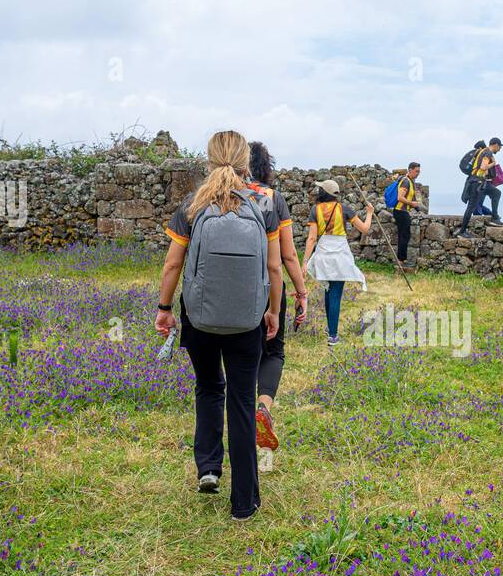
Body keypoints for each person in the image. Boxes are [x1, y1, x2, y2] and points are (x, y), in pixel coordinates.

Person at [155, 130, 282, 521]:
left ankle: (208, 468)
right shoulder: (264, 204)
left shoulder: (192, 204)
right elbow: (274, 266)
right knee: (243, 403)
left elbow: (174, 263)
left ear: (208, 160)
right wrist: (273, 311)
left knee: (209, 388)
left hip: (200, 319)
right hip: (247, 321)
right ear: (246, 162)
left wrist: (164, 308)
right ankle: (244, 503)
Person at [248, 141, 308, 452]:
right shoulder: (273, 199)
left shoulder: (221, 194)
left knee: (241, 353)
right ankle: (263, 407)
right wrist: (301, 290)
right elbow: (288, 254)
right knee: (273, 351)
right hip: (269, 286)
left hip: (231, 289)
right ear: (265, 167)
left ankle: (241, 413)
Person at [301, 179, 372, 348]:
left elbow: (311, 238)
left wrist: (304, 262)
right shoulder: (345, 209)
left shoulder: (315, 210)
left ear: (324, 192)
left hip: (324, 253)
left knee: (328, 290)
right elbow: (365, 229)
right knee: (335, 294)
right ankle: (333, 335)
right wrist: (369, 213)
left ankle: (330, 330)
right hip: (340, 254)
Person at [458, 137, 503, 237]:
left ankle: (495, 218)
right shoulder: (487, 153)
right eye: (499, 147)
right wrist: (493, 163)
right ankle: (462, 231)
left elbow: (482, 169)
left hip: (478, 181)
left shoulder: (482, 151)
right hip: (476, 182)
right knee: (471, 207)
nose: (499, 149)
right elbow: (483, 167)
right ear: (495, 145)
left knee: (496, 193)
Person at [393, 161, 421, 269]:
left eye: (419, 171)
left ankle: (401, 260)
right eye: (416, 171)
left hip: (403, 212)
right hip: (400, 212)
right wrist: (411, 204)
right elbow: (400, 198)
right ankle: (401, 261)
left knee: (404, 236)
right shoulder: (405, 181)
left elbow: (411, 198)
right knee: (404, 236)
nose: (418, 173)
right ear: (410, 170)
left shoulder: (410, 181)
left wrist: (418, 209)